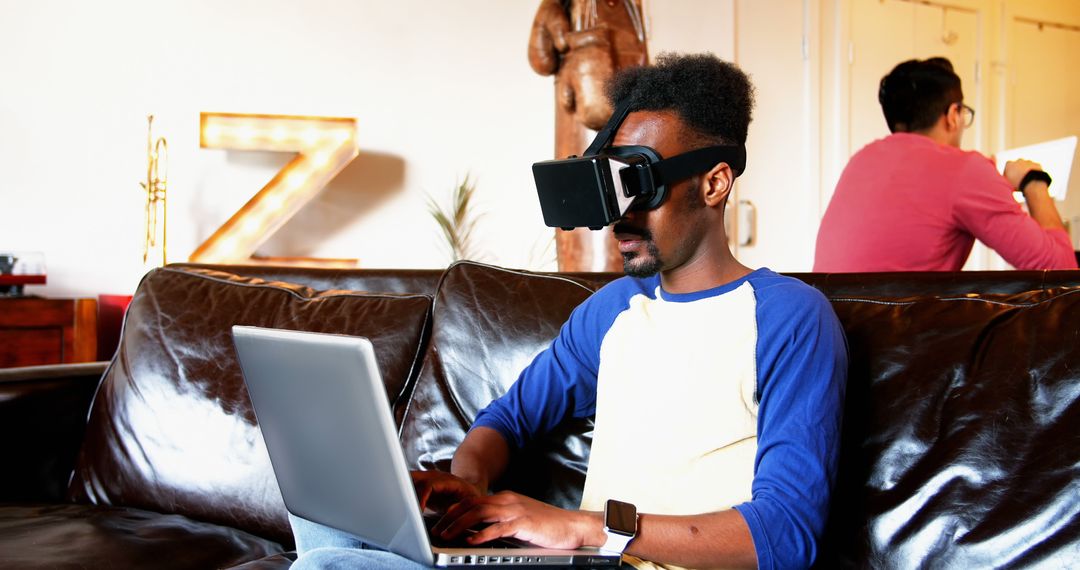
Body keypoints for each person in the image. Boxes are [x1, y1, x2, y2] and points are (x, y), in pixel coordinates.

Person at [292, 53, 848, 570]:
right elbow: (507, 420)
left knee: (324, 565)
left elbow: (784, 534)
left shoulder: (791, 317)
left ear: (714, 183)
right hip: (582, 563)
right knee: (323, 507)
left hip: (626, 558)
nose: (619, 219)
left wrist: (587, 528)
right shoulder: (613, 311)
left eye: (641, 185)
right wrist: (469, 482)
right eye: (613, 186)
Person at [814, 57, 1077, 272]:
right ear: (953, 115)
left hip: (837, 329)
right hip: (898, 334)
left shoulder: (862, 159)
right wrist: (1034, 182)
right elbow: (1060, 271)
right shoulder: (965, 169)